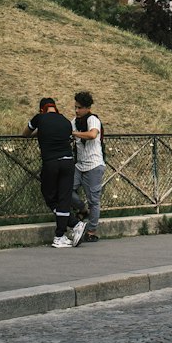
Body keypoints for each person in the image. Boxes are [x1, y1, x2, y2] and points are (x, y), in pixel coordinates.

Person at [25, 96, 86, 249]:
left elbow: (25, 133)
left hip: (51, 162)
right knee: (64, 198)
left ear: (41, 109)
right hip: (68, 162)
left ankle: (64, 232)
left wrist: (40, 132)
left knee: (49, 195)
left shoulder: (40, 118)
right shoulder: (65, 121)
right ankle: (70, 228)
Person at [71, 91, 105, 242]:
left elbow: (92, 135)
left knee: (94, 200)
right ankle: (82, 209)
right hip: (79, 164)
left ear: (87, 108)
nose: (77, 111)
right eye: (75, 107)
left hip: (94, 164)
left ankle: (91, 231)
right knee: (66, 189)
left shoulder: (93, 119)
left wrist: (75, 133)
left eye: (80, 108)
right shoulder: (74, 121)